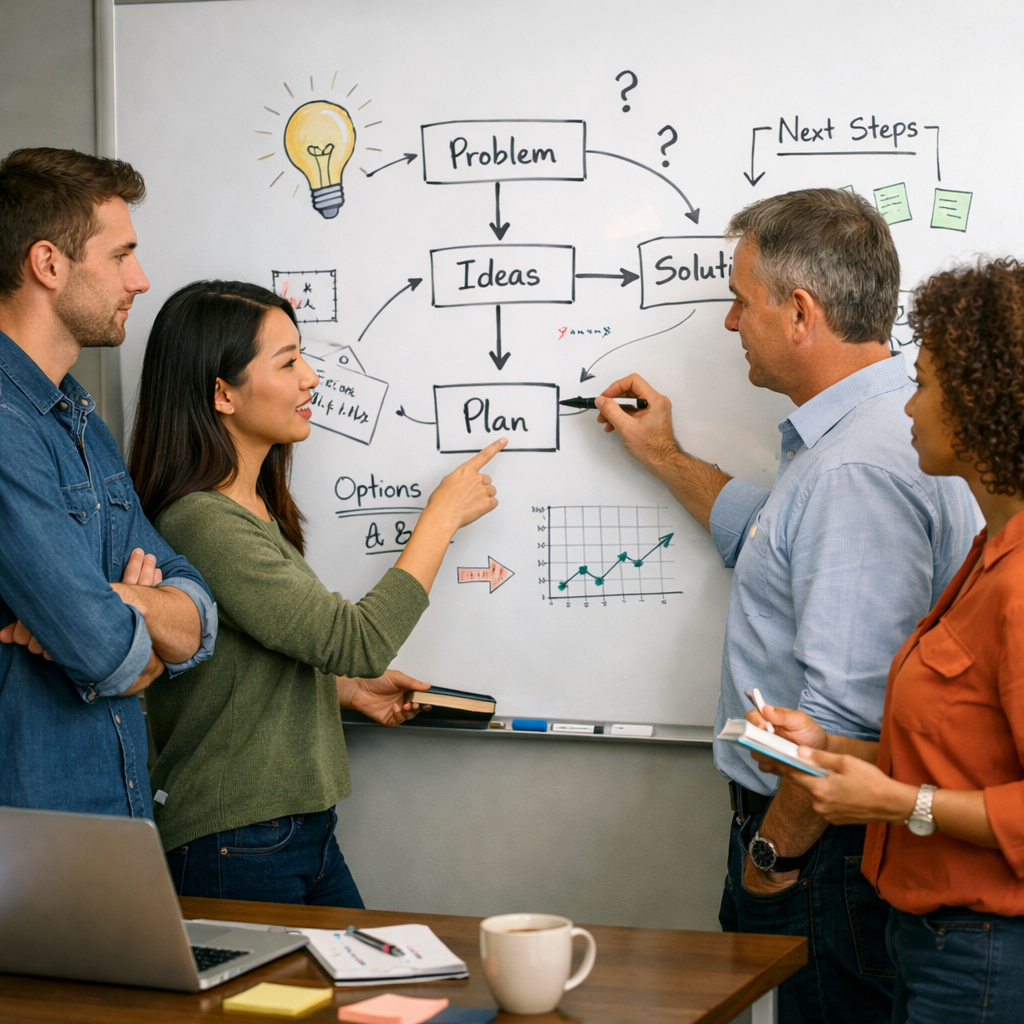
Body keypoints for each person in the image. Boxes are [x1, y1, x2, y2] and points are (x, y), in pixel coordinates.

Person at [591, 189, 977, 1023]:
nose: (732, 322)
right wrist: (665, 455)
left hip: (823, 851)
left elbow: (844, 711)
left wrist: (773, 856)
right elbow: (768, 537)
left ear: (800, 313)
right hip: (828, 845)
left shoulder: (855, 470)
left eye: (741, 300)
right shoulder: (864, 433)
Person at [128, 279, 504, 907]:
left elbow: (245, 666)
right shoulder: (202, 521)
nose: (311, 379)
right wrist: (440, 519)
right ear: (222, 393)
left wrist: (346, 690)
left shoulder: (251, 508)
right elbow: (358, 640)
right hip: (235, 839)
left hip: (291, 831)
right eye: (288, 362)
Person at [748, 257, 1024, 1024]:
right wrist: (836, 751)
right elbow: (966, 755)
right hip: (931, 941)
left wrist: (903, 803)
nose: (907, 406)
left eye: (924, 385)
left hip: (988, 954)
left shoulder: (1019, 583)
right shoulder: (989, 555)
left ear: (982, 403)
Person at [0, 148, 216, 817]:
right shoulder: (5, 427)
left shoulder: (80, 421)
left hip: (108, 826)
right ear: (48, 263)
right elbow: (109, 658)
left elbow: (199, 620)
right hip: (33, 836)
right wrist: (130, 625)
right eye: (121, 255)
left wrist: (119, 599)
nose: (140, 280)